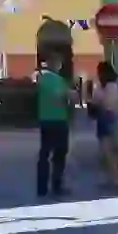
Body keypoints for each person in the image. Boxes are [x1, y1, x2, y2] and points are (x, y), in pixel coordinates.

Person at [36, 54, 76, 197]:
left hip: (44, 119)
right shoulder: (59, 80)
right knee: (60, 154)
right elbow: (68, 96)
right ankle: (56, 185)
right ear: (57, 65)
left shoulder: (40, 78)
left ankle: (41, 187)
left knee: (44, 153)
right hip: (59, 120)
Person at [89, 61, 118, 183]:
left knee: (107, 149)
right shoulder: (103, 86)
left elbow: (107, 103)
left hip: (107, 117)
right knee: (107, 149)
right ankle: (113, 177)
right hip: (106, 117)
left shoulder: (110, 86)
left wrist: (97, 102)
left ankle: (115, 178)